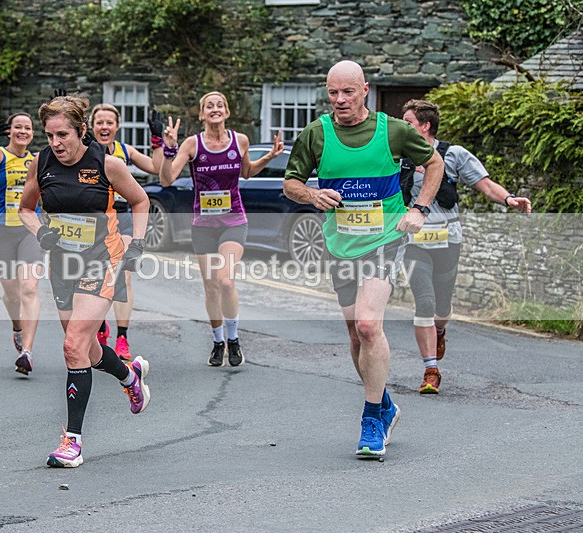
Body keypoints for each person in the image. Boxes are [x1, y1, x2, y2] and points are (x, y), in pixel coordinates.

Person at [283, 60, 445, 459]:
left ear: (364, 90)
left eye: (347, 92)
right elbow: (290, 183)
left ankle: (372, 418)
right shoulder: (316, 134)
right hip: (339, 244)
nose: (339, 100)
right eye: (332, 92)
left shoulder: (394, 130)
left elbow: (435, 164)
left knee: (370, 326)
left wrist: (418, 209)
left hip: (385, 240)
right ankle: (386, 404)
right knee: (356, 335)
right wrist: (312, 195)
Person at [18, 94, 151, 468]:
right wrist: (41, 230)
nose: (56, 143)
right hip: (62, 265)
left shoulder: (107, 165)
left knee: (72, 346)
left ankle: (72, 442)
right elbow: (26, 208)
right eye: (50, 135)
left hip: (102, 260)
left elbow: (140, 202)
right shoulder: (40, 164)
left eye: (63, 134)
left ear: (82, 131)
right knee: (86, 351)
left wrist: (136, 242)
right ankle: (129, 375)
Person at [400, 99, 532, 394]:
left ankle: (441, 329)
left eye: (408, 122)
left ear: (425, 126)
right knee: (424, 300)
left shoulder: (454, 154)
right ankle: (430, 370)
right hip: (413, 241)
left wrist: (510, 199)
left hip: (447, 239)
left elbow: (485, 185)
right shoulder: (399, 156)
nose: (403, 127)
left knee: (442, 308)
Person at [159, 91, 284, 367]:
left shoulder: (240, 140)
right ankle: (217, 342)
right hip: (203, 226)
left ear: (226, 112)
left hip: (234, 221)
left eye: (220, 105)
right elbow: (167, 179)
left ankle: (234, 338)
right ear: (202, 114)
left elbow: (247, 172)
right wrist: (169, 150)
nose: (215, 109)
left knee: (226, 280)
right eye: (209, 106)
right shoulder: (192, 144)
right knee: (211, 287)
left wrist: (270, 157)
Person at [89, 103, 164, 361]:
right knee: (96, 275)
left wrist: (158, 140)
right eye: (100, 122)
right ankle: (100, 326)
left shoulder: (124, 151)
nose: (105, 126)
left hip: (123, 216)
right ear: (91, 126)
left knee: (123, 274)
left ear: (117, 126)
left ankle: (122, 337)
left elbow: (156, 167)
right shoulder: (85, 151)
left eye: (110, 122)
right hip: (96, 219)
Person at [0, 113, 43, 376]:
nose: (22, 131)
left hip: (29, 232)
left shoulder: (36, 161)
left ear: (32, 133)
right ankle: (17, 327)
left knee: (29, 288)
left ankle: (27, 352)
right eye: (18, 127)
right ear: (10, 131)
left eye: (27, 128)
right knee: (12, 294)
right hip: (1, 234)